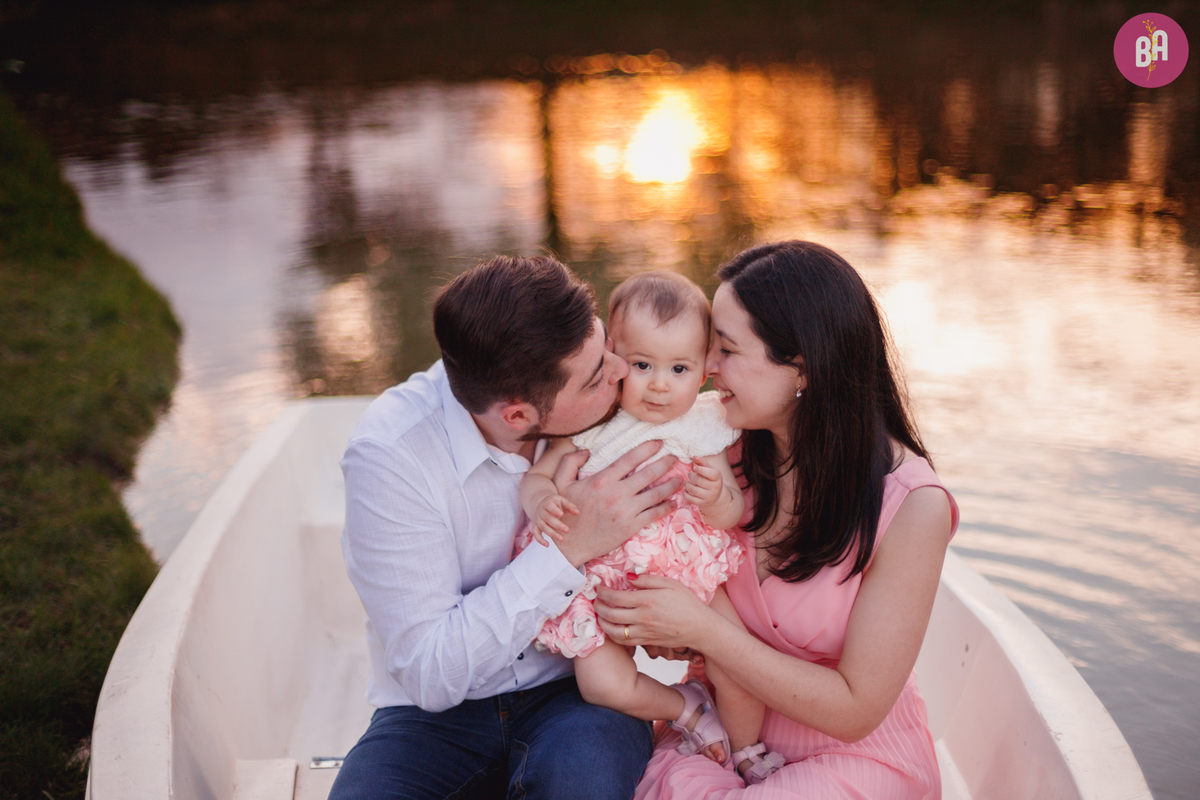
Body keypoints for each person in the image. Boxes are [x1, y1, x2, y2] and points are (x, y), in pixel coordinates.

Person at [593, 241, 960, 798]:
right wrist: (655, 628)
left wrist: (702, 630)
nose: (708, 366)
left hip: (849, 756)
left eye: (727, 349)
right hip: (721, 733)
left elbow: (855, 709)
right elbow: (651, 563)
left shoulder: (911, 504)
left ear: (803, 369)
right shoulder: (713, 451)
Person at [330, 255, 685, 800]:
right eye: (596, 377)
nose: (621, 371)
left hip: (576, 694)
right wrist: (566, 549)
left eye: (606, 345)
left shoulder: (621, 404)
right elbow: (429, 675)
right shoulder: (391, 456)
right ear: (519, 416)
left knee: (584, 785)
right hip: (432, 720)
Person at [514, 272, 781, 784]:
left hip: (687, 574)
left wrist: (715, 497)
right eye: (642, 365)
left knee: (734, 657)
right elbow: (536, 478)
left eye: (678, 368)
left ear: (703, 369)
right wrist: (544, 498)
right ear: (614, 357)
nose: (660, 383)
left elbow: (728, 513)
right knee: (601, 684)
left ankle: (747, 747)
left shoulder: (704, 426)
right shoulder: (591, 422)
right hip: (599, 584)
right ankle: (686, 708)